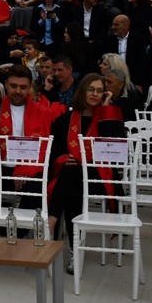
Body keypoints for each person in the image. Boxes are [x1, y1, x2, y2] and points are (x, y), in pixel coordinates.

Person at [46, 73, 125, 262]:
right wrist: (64, 159)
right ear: (82, 91)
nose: (95, 94)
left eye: (99, 91)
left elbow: (116, 151)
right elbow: (55, 152)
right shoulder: (65, 119)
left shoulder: (110, 117)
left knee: (73, 176)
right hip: (72, 177)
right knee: (75, 184)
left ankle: (52, 218)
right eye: (91, 89)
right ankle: (76, 251)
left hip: (101, 177)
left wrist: (106, 109)